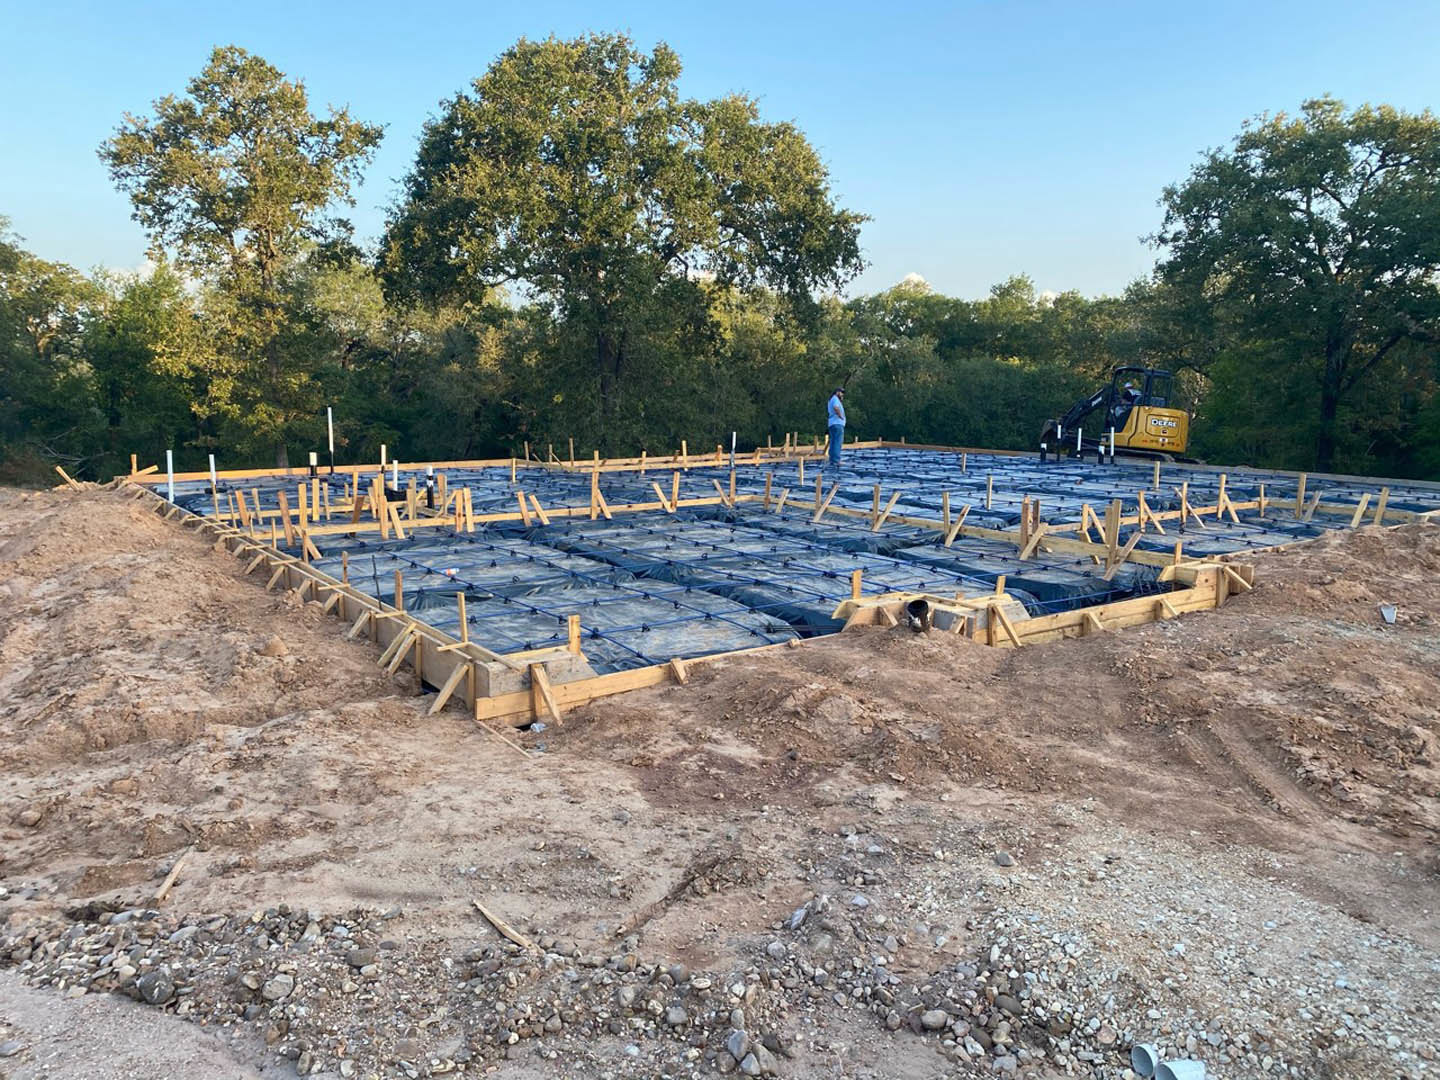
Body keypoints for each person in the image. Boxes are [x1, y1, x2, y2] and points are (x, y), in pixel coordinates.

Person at [826, 387, 846, 468]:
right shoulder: (835, 399)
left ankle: (832, 459)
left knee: (833, 442)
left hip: (832, 423)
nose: (842, 394)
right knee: (837, 442)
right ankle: (836, 460)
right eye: (841, 393)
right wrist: (841, 416)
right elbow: (836, 407)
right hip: (837, 423)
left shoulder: (831, 399)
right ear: (837, 392)